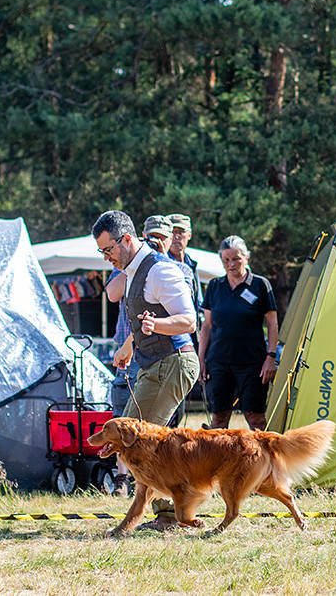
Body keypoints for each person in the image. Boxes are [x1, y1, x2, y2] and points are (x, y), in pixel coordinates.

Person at [92, 210, 198, 529]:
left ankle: (164, 515)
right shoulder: (133, 270)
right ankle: (172, 511)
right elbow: (142, 321)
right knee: (140, 442)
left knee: (136, 442)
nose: (106, 257)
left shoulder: (160, 271)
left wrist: (158, 324)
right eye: (101, 252)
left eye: (108, 249)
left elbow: (188, 320)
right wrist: (128, 347)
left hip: (175, 361)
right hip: (155, 363)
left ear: (126, 240)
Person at [197, 235, 278, 431]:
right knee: (218, 420)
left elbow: (273, 323)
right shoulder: (215, 286)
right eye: (226, 260)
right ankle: (219, 461)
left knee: (256, 419)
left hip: (252, 363)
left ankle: (263, 461)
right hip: (218, 362)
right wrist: (200, 360)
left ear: (246, 258)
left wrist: (271, 357)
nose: (231, 264)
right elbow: (206, 326)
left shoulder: (260, 285)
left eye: (236, 259)